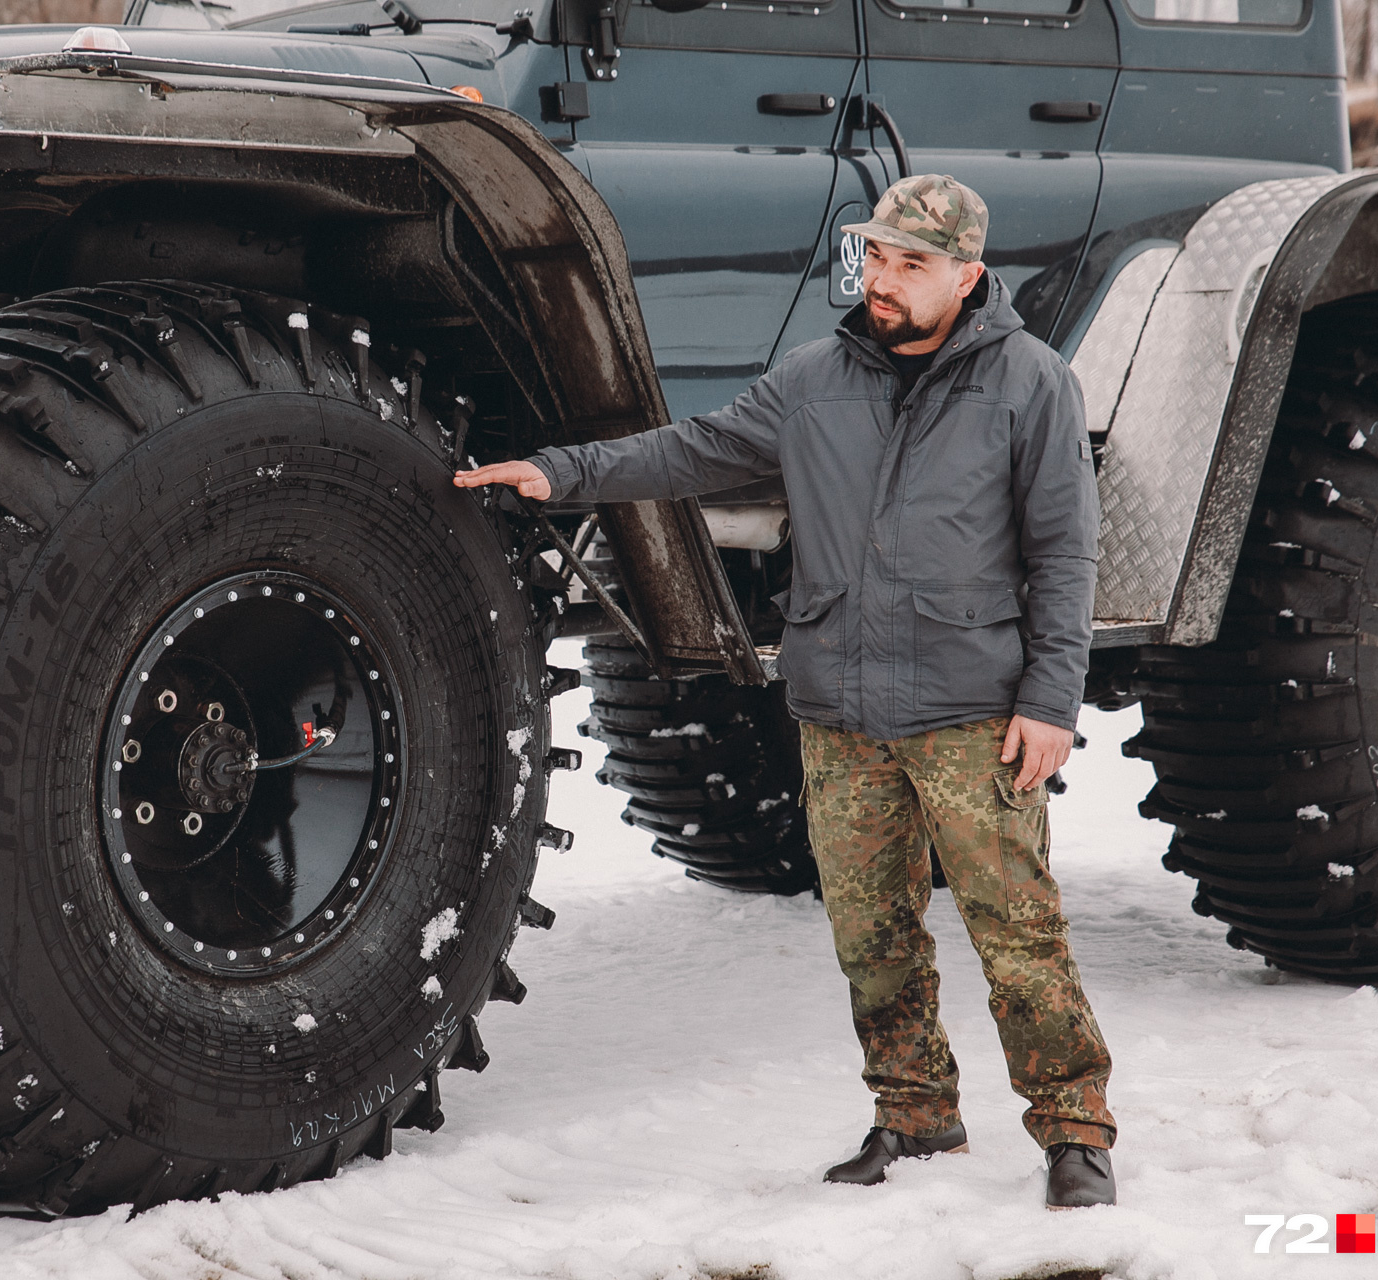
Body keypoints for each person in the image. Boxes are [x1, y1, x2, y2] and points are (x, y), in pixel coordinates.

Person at [454, 174, 1118, 1210]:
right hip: (839, 710)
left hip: (971, 712)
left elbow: (1066, 554)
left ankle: (1074, 1128)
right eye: (879, 257)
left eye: (913, 263)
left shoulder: (1031, 382)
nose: (886, 280)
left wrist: (1050, 700)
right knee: (871, 933)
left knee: (1017, 934)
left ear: (968, 276)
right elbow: (688, 450)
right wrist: (558, 471)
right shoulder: (813, 378)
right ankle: (913, 1110)